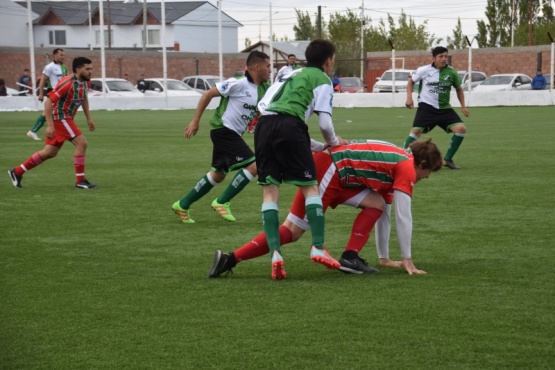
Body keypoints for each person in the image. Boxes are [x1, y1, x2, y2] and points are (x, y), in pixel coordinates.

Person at [208, 139, 443, 279]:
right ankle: (231, 259)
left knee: (377, 204)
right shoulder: (406, 168)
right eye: (428, 172)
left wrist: (384, 258)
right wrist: (408, 262)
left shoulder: (398, 161)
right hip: (330, 169)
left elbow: (387, 212)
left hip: (337, 172)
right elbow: (404, 217)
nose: (426, 177)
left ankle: (351, 257)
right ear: (421, 164)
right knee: (293, 231)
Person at [254, 39, 348, 279]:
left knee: (270, 192)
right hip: (290, 125)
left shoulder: (288, 74)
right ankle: (318, 246)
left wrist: (317, 146)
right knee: (310, 187)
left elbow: (274, 114)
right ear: (328, 61)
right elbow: (324, 123)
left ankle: (275, 253)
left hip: (263, 125)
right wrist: (335, 143)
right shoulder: (322, 80)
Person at [171, 51, 271, 223]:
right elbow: (208, 94)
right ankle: (222, 201)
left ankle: (182, 204)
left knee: (218, 175)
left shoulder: (264, 89)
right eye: (268, 66)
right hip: (223, 130)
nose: (270, 70)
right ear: (257, 66)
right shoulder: (237, 83)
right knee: (255, 165)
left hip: (231, 133)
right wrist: (195, 121)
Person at [8, 57, 97, 190]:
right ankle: (80, 180)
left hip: (67, 118)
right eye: (87, 69)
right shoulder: (67, 83)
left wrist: (88, 118)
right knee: (82, 143)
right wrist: (50, 125)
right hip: (60, 117)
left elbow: (83, 98)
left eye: (91, 69)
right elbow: (48, 101)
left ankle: (17, 171)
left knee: (50, 152)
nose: (90, 72)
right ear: (78, 70)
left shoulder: (86, 82)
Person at [403, 46, 469, 170]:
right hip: (426, 107)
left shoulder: (452, 72)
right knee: (416, 131)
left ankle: (447, 159)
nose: (444, 59)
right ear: (434, 58)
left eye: (446, 56)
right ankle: (402, 158)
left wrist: (463, 106)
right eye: (441, 56)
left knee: (461, 129)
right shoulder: (424, 70)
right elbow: (411, 82)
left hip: (444, 109)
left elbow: (459, 89)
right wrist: (409, 98)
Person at [27, 48, 68, 141]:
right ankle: (33, 131)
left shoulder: (64, 67)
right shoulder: (49, 67)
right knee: (49, 112)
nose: (63, 57)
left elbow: (65, 81)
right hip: (53, 92)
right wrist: (40, 94)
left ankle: (34, 131)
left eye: (63, 55)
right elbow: (42, 81)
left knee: (50, 113)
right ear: (54, 56)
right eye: (61, 55)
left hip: (61, 93)